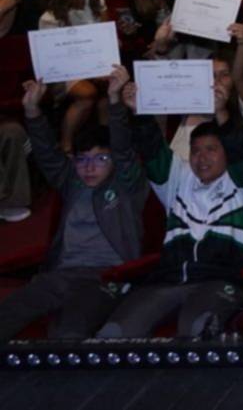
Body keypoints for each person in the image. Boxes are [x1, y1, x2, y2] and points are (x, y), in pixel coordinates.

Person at [98, 77, 243, 338]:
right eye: (195, 151)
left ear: (226, 153)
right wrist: (139, 111)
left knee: (196, 330)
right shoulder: (178, 178)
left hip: (220, 280)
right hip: (169, 280)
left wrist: (221, 112)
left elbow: (240, 150)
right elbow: (152, 148)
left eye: (211, 150)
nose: (202, 158)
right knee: (113, 333)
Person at [0, 74, 146, 340]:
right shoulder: (72, 182)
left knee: (68, 331)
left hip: (107, 277)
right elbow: (46, 153)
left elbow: (123, 148)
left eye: (100, 159)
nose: (89, 168)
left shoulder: (127, 185)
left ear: (113, 162)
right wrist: (32, 110)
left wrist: (114, 101)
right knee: (7, 314)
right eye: (82, 160)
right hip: (62, 274)